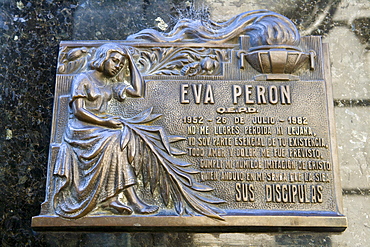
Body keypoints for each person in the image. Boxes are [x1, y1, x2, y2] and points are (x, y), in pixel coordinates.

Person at [53, 43, 158, 219]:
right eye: (115, 61)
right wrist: (104, 121)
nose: (117, 67)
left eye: (120, 65)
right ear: (103, 57)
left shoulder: (111, 84)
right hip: (80, 128)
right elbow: (78, 111)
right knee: (115, 138)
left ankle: (116, 198)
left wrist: (131, 61)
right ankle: (129, 200)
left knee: (120, 138)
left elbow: (138, 91)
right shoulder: (83, 78)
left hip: (101, 128)